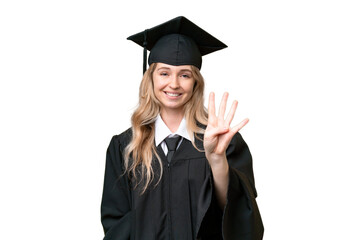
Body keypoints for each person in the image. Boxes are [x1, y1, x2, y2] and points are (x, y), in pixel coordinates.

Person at [101, 16, 264, 240]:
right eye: (164, 73)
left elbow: (237, 218)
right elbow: (116, 225)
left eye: (184, 75)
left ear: (196, 82)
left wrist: (217, 160)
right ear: (151, 78)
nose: (174, 84)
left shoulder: (223, 142)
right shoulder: (124, 147)